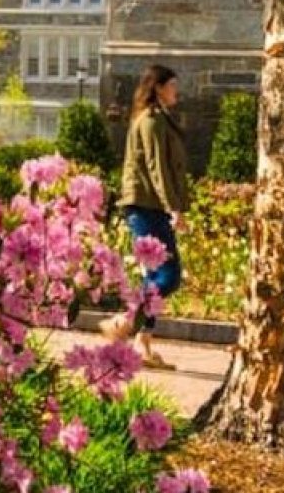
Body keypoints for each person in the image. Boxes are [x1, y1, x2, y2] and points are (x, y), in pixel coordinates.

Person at [103, 63, 191, 370]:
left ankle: (142, 343)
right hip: (146, 206)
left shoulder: (158, 119)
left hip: (149, 205)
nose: (176, 91)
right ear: (158, 88)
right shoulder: (152, 122)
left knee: (155, 278)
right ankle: (124, 320)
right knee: (168, 276)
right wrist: (173, 208)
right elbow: (157, 169)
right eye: (172, 86)